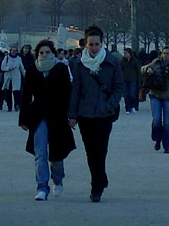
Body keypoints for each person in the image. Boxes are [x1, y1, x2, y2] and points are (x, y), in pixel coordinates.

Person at [68, 25, 123, 203]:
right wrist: (72, 114)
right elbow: (75, 90)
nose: (94, 48)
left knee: (101, 149)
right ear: (85, 44)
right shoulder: (78, 63)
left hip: (104, 112)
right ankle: (96, 185)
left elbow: (118, 87)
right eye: (91, 44)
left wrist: (110, 105)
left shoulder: (112, 62)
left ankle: (99, 179)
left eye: (97, 44)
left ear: (102, 43)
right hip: (85, 113)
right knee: (91, 151)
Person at [19, 40, 75, 201]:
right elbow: (26, 95)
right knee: (40, 153)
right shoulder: (32, 70)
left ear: (53, 53)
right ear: (37, 54)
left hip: (58, 116)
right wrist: (23, 118)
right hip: (38, 115)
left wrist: (71, 116)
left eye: (47, 52)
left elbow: (68, 93)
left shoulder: (61, 69)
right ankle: (42, 187)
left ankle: (57, 179)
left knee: (57, 156)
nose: (44, 55)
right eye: (41, 53)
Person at [141, 46, 169, 154]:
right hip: (155, 94)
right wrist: (147, 69)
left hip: (168, 96)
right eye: (164, 53)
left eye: (168, 53)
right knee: (157, 120)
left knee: (167, 122)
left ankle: (167, 145)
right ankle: (157, 139)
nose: (165, 55)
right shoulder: (157, 62)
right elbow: (143, 68)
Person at [1, 45, 26, 111]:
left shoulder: (19, 58)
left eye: (15, 51)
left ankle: (17, 105)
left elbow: (22, 68)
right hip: (8, 78)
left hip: (16, 77)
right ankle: (9, 107)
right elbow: (2, 67)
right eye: (13, 50)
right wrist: (8, 68)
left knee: (16, 92)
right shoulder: (6, 58)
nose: (14, 52)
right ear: (10, 51)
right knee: (8, 92)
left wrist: (25, 75)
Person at [120, 47, 141, 114]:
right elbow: (120, 70)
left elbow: (138, 71)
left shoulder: (135, 61)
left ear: (129, 53)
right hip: (125, 79)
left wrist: (139, 80)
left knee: (132, 94)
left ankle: (132, 106)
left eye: (126, 53)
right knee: (126, 95)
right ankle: (128, 108)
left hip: (133, 79)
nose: (124, 54)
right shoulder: (122, 61)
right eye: (124, 53)